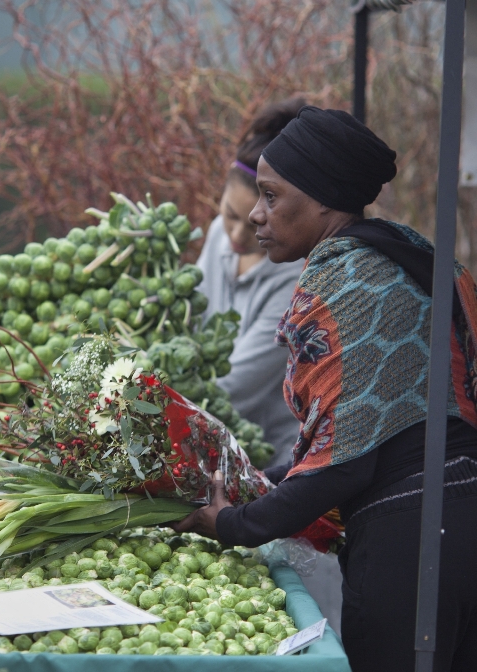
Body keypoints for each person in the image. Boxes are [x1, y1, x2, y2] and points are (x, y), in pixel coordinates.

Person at [174, 106, 477, 671]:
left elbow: (346, 461)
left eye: (270, 196)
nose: (258, 216)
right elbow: (375, 431)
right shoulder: (408, 256)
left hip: (411, 546)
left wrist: (235, 524)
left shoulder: (341, 283)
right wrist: (270, 485)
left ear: (321, 200)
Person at [196, 98, 306, 467]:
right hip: (211, 441)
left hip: (273, 459)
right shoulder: (217, 236)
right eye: (229, 215)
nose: (237, 236)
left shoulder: (295, 279)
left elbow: (232, 389)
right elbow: (190, 322)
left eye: (253, 222)